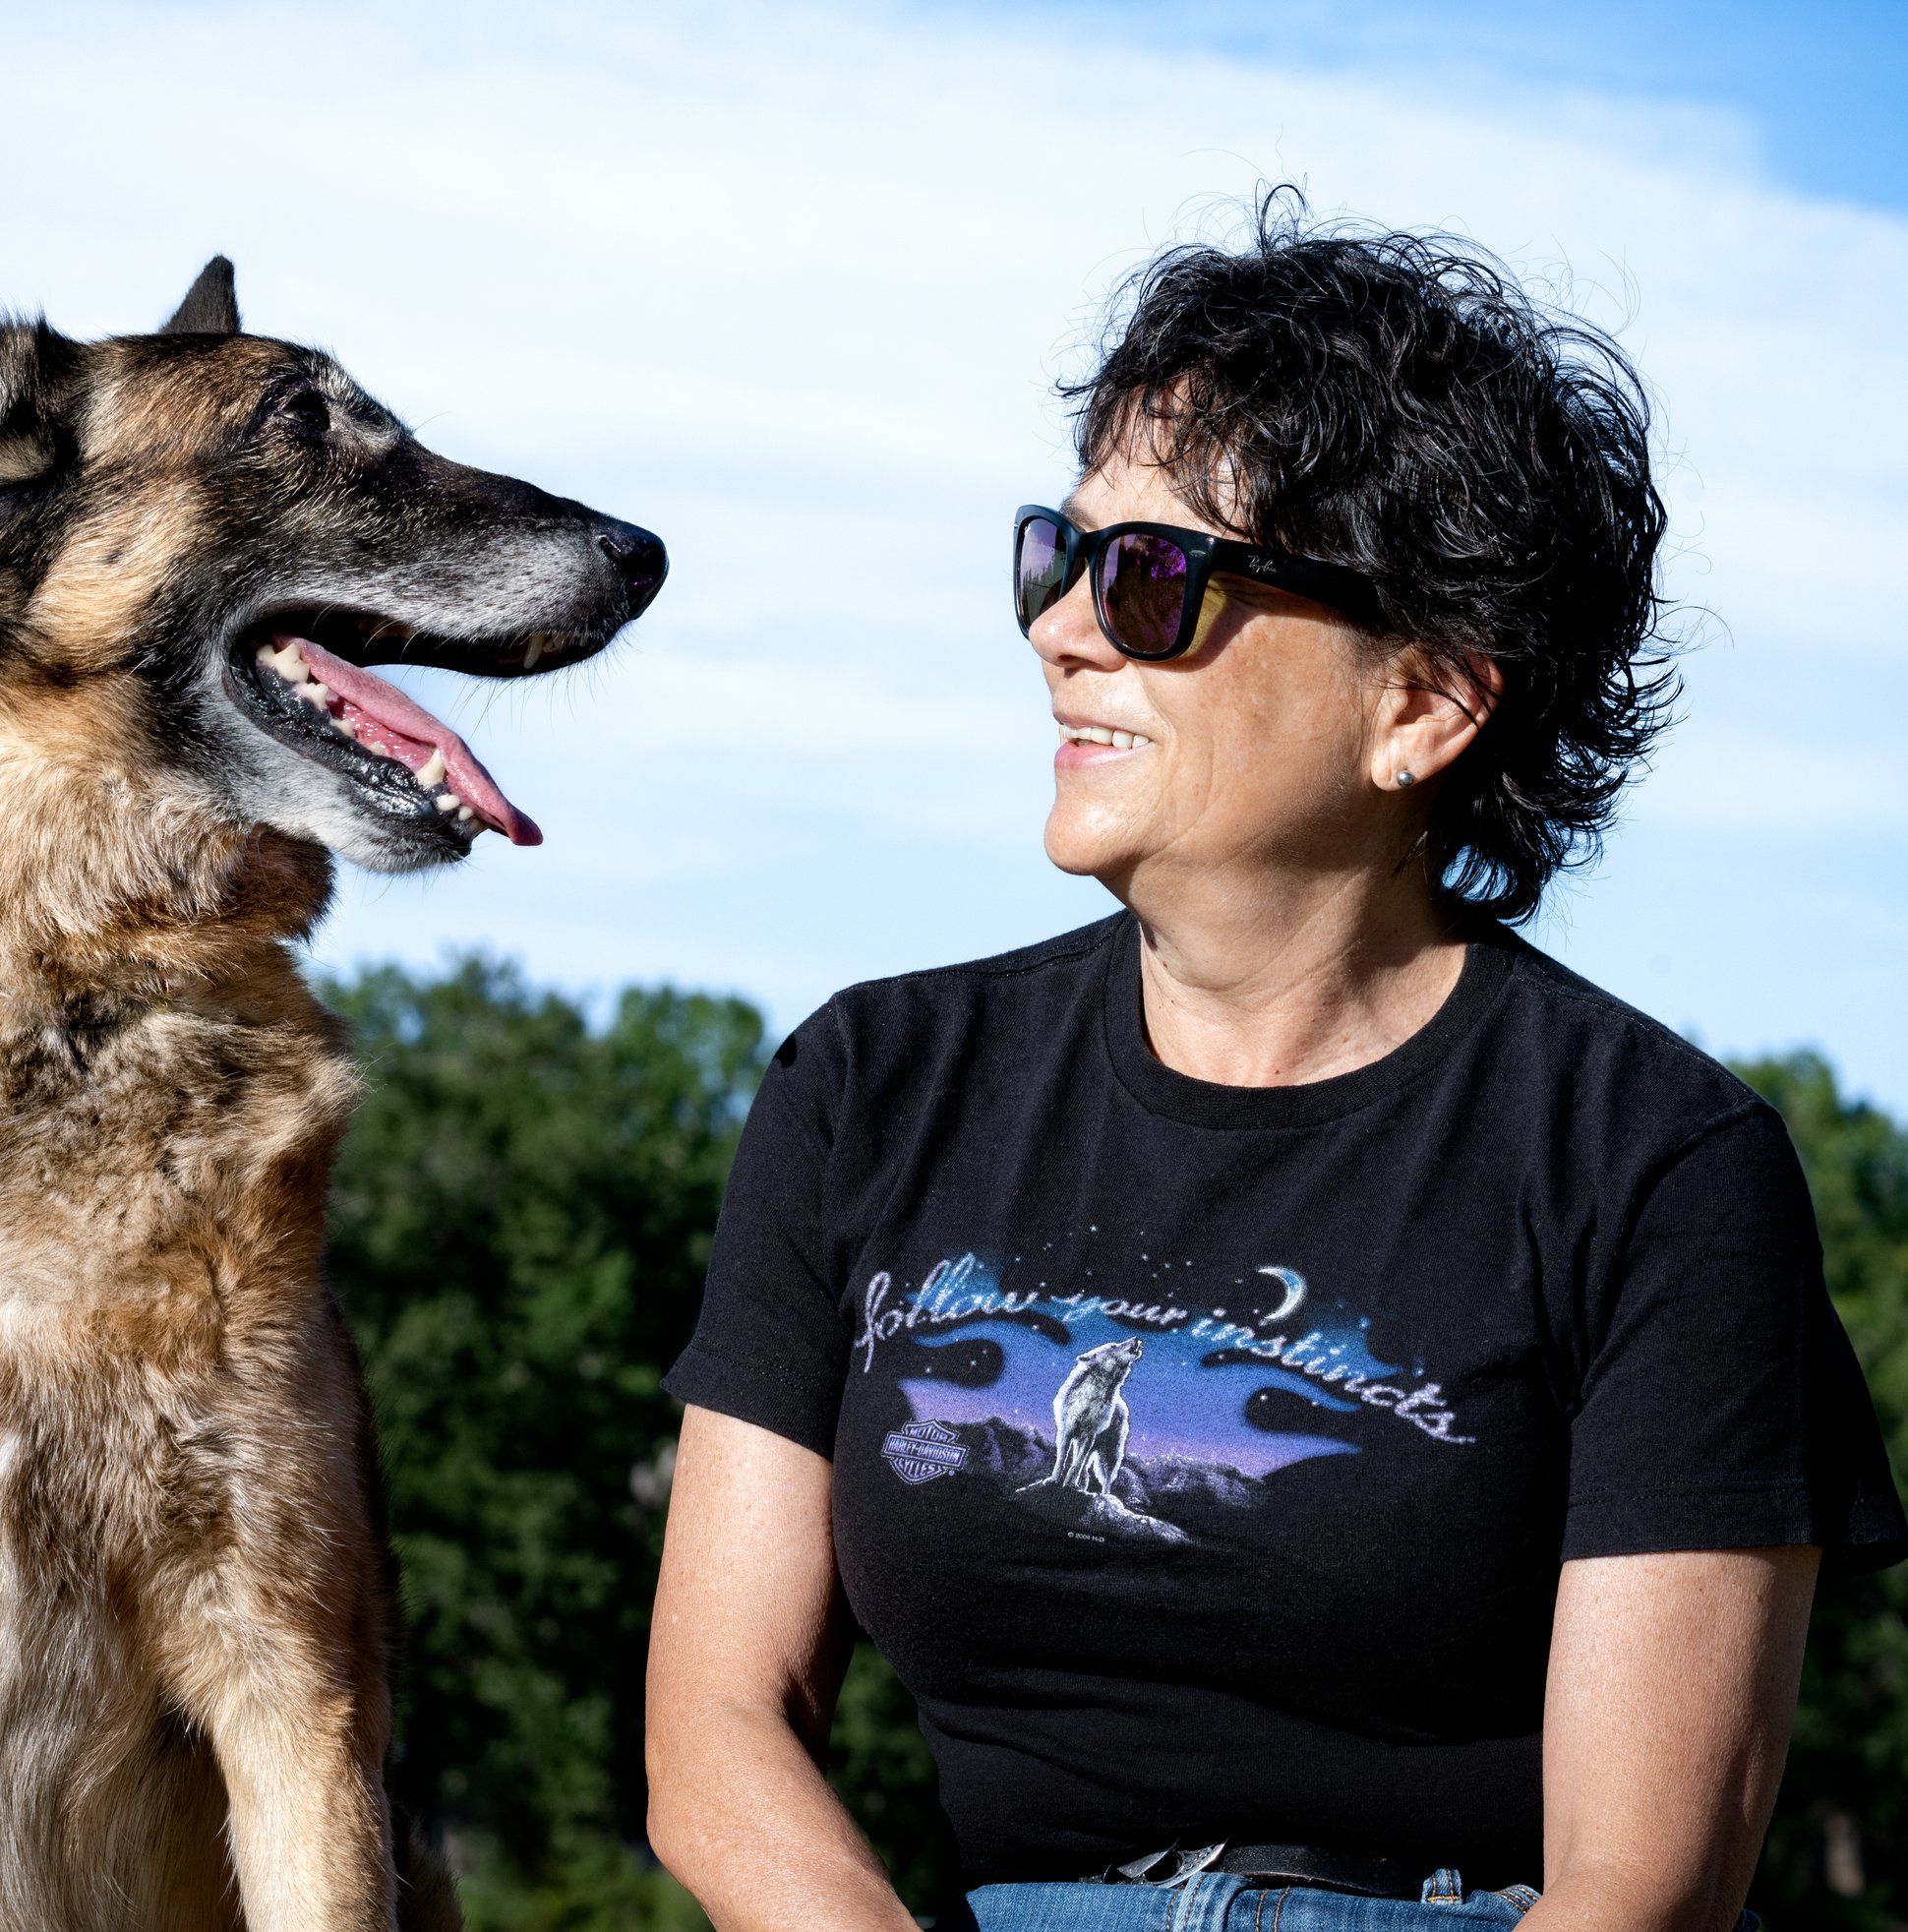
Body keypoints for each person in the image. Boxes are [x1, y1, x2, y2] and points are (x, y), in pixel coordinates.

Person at [642, 198, 1906, 1932]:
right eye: (1058, 555)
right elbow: (715, 1736)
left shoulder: (1660, 1167)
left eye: (1156, 581)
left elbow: (1641, 1893)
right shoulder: (868, 1087)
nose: (1061, 634)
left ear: (1425, 705)